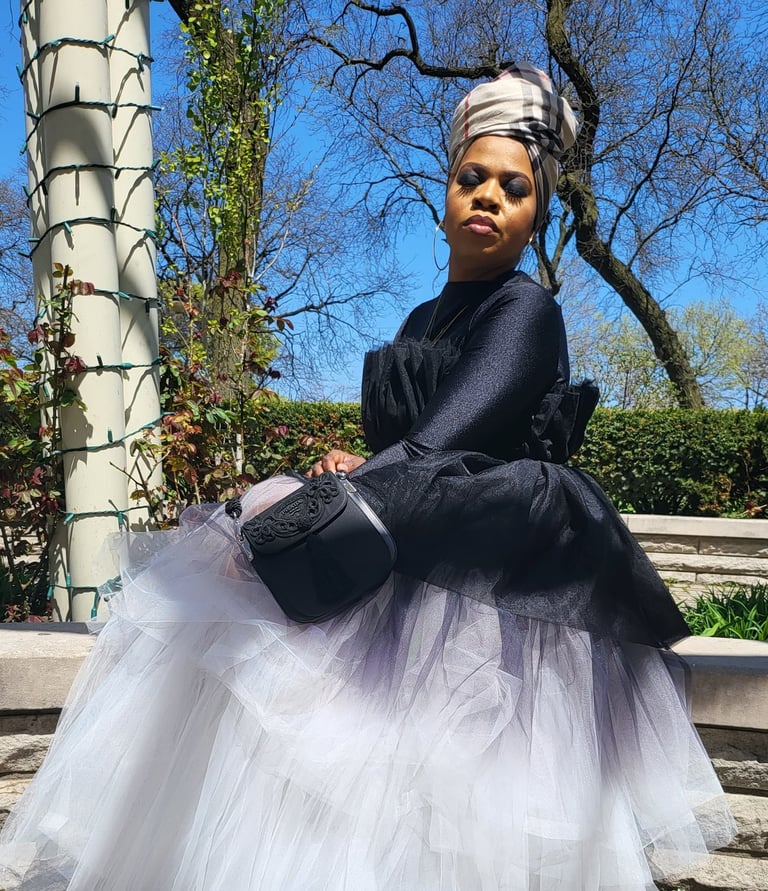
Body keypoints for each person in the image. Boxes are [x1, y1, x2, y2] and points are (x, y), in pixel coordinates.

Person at [0, 64, 734, 891]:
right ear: (445, 193)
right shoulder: (423, 318)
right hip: (404, 561)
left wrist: (327, 495)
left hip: (481, 592)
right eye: (473, 178)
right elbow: (409, 449)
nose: (489, 197)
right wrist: (352, 465)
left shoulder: (527, 309)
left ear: (538, 214)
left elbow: (436, 444)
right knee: (337, 787)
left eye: (515, 188)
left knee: (442, 810)